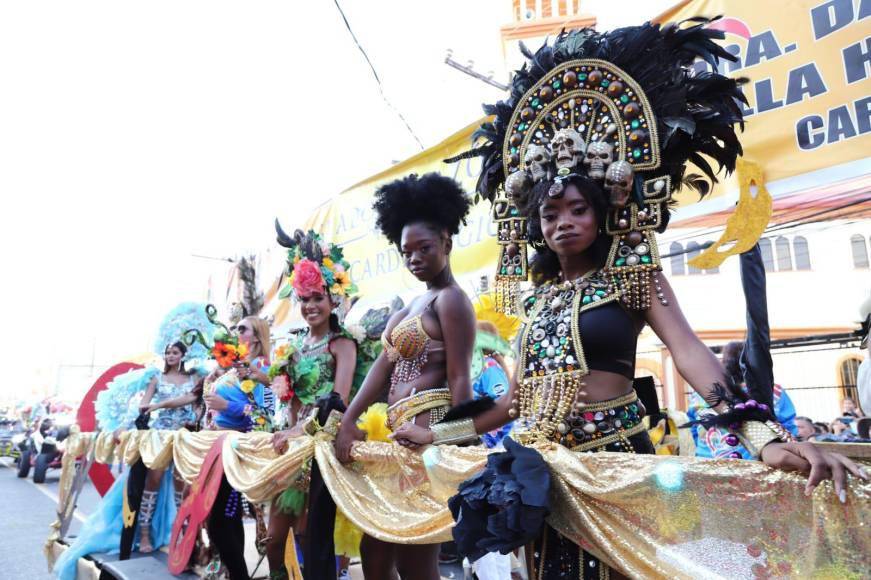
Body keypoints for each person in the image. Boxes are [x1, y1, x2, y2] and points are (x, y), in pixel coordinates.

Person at [391, 22, 866, 579]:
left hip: (618, 469)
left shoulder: (635, 280)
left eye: (577, 210)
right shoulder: (539, 300)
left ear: (604, 214)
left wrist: (761, 439)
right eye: (550, 214)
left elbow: (691, 356)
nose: (563, 223)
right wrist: (437, 433)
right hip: (541, 476)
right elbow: (516, 402)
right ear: (534, 225)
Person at [335, 172, 476, 580]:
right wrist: (348, 420)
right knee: (374, 551)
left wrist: (456, 441)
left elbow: (460, 379)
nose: (414, 257)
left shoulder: (452, 301)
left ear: (447, 242)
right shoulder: (412, 305)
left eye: (424, 248)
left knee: (415, 561)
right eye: (406, 251)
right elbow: (380, 372)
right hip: (396, 436)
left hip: (425, 434)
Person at [267, 227, 360, 580]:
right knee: (274, 539)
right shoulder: (292, 348)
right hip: (291, 450)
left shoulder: (342, 344)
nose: (310, 307)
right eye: (304, 299)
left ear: (334, 299)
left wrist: (298, 431)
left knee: (315, 538)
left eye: (317, 298)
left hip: (323, 448)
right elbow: (289, 402)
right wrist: (285, 431)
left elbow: (339, 403)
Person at [202, 315, 273, 580]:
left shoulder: (263, 368)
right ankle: (234, 573)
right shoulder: (234, 368)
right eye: (235, 327)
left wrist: (226, 406)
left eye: (242, 329)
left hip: (237, 450)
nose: (235, 331)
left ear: (257, 336)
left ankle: (238, 575)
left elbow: (267, 414)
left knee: (220, 520)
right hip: (218, 446)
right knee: (228, 515)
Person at [135, 341, 204, 552]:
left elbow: (196, 402)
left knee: (181, 484)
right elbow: (144, 404)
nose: (170, 356)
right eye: (167, 353)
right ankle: (145, 534)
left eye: (175, 352)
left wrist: (197, 418)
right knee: (153, 481)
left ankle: (183, 534)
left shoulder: (195, 378)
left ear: (183, 355)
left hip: (185, 435)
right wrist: (148, 407)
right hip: (161, 434)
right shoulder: (156, 378)